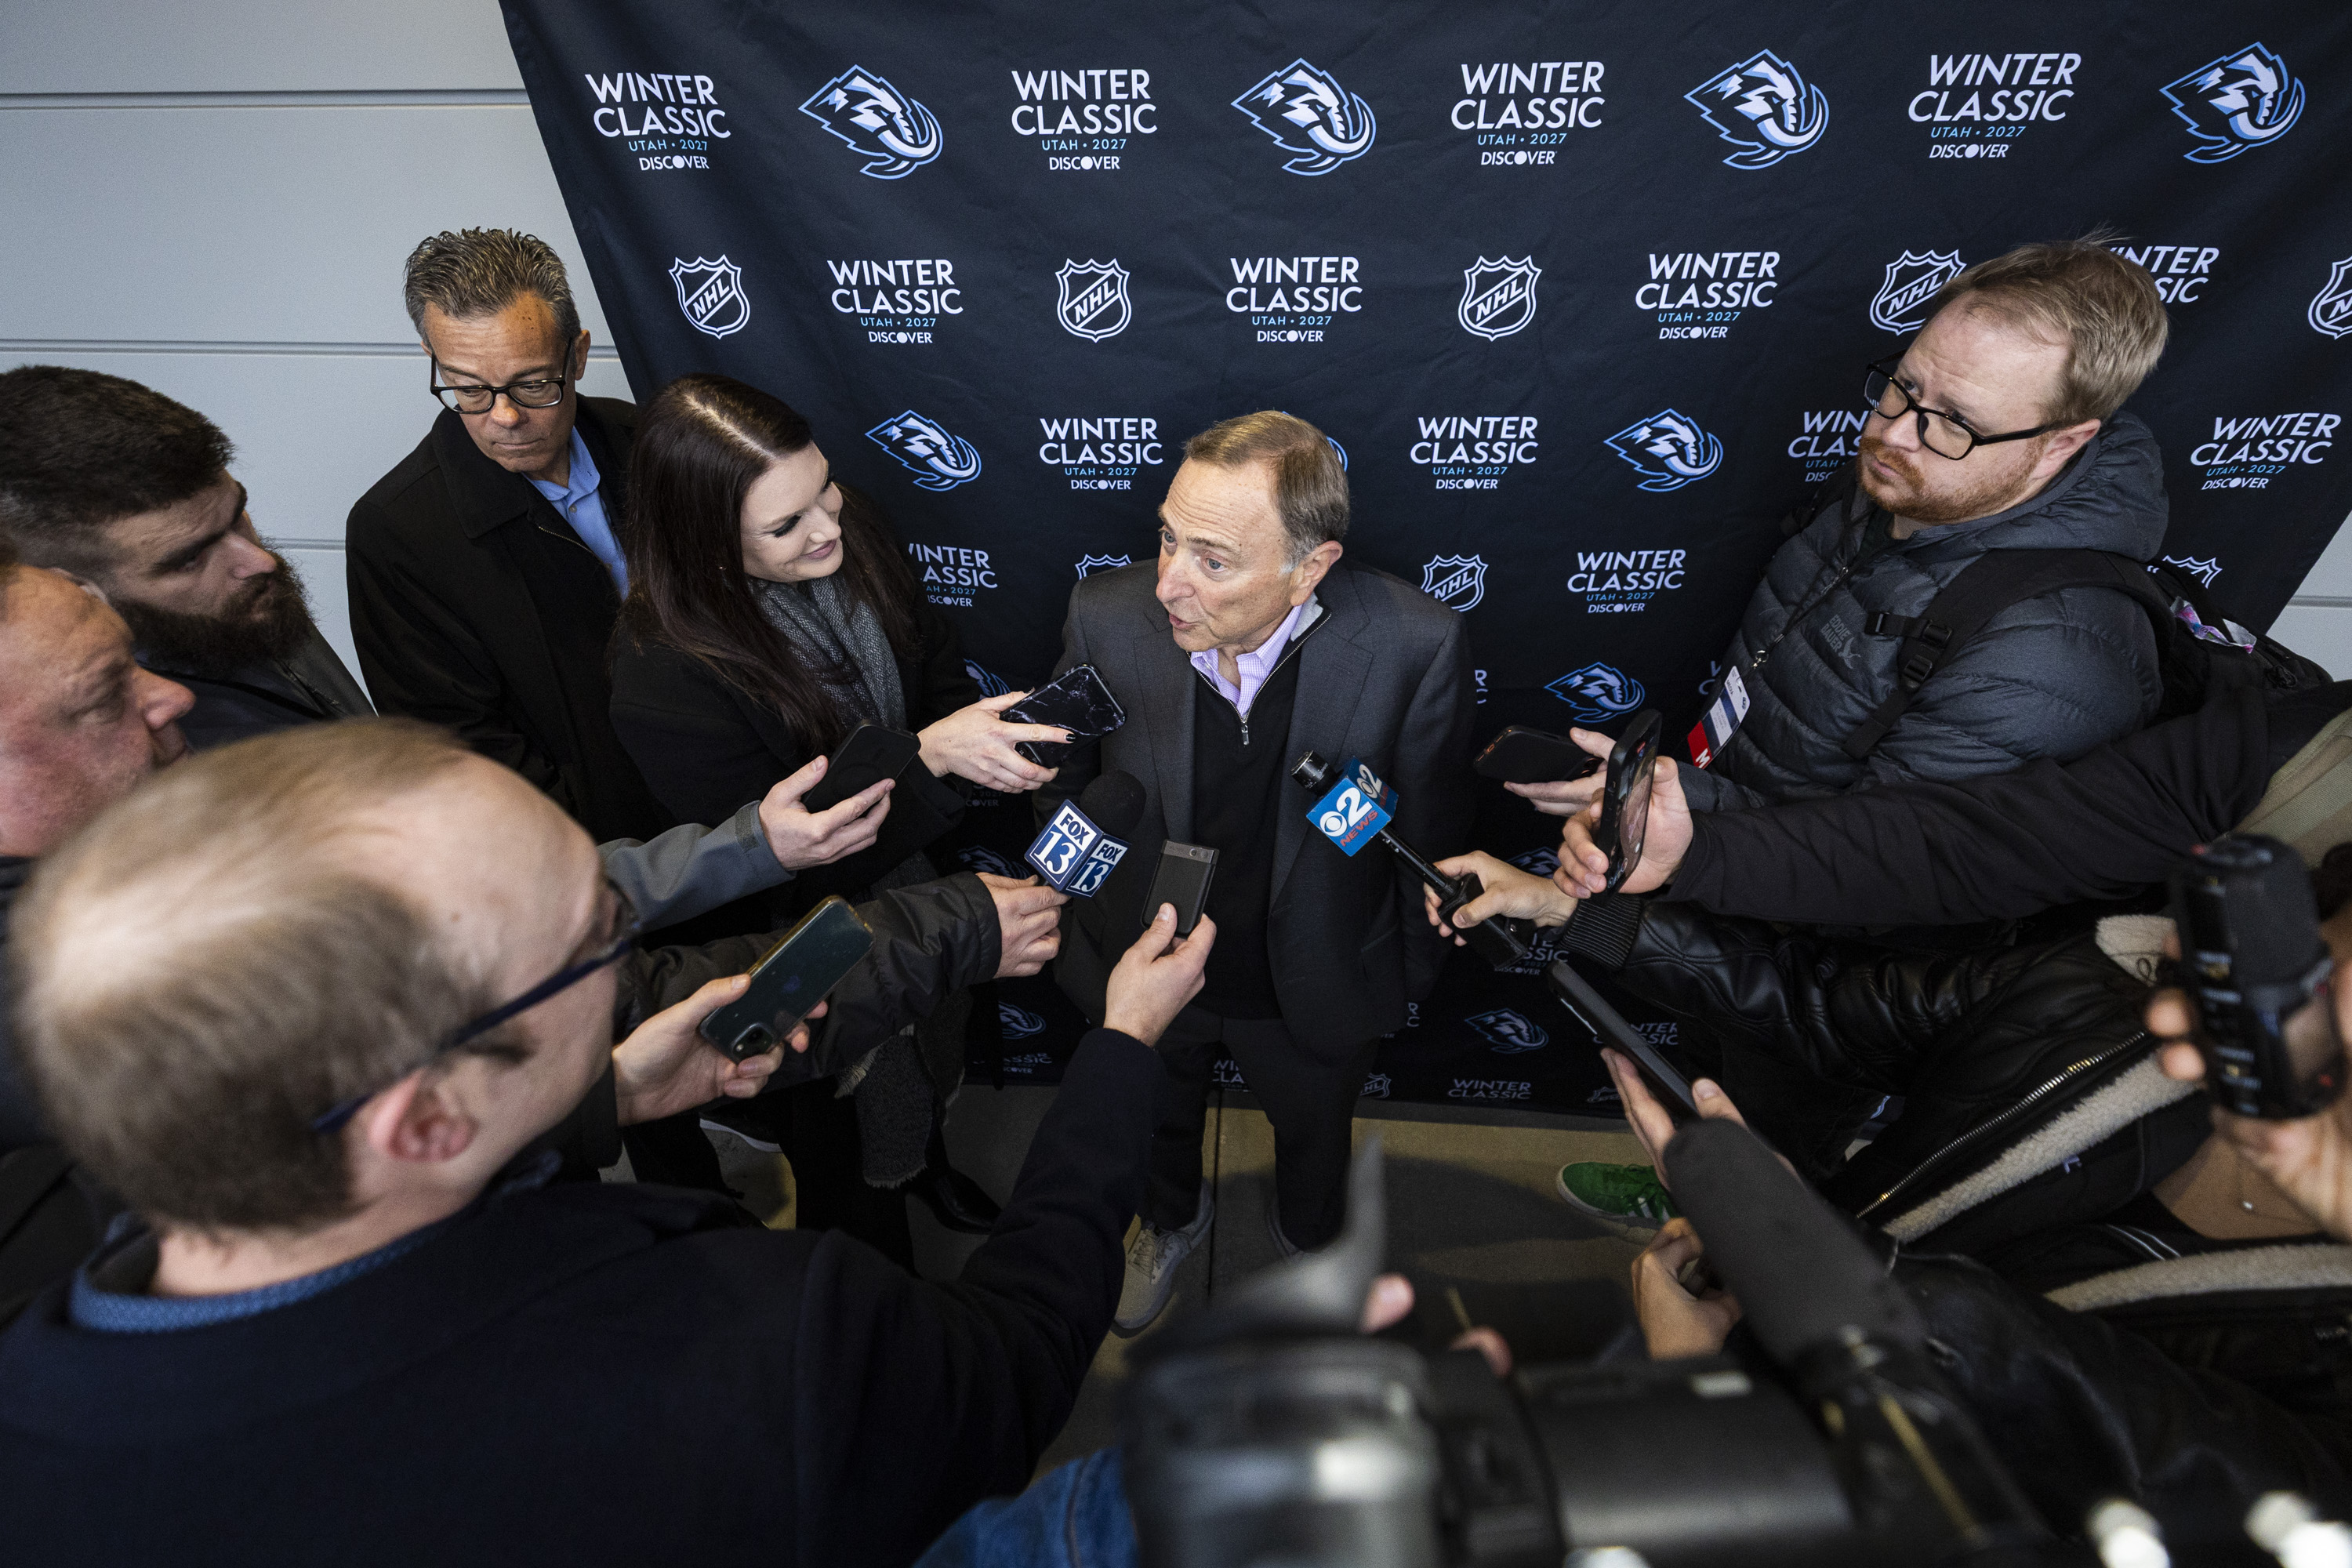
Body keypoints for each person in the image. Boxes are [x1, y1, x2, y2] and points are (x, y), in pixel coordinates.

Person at [0, 717, 1214, 1568]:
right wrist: (1119, 1050)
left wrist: (609, 1097)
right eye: (596, 944)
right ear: (426, 1118)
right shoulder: (765, 1350)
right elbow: (1011, 1364)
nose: (629, 965)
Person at [608, 373, 1069, 1253]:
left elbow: (928, 648)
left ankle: (928, 1169)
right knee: (846, 1173)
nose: (830, 525)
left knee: (931, 1067)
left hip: (917, 874)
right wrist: (929, 757)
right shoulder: (661, 674)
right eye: (786, 524)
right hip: (802, 951)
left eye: (824, 487)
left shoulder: (848, 529)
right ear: (706, 541)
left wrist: (957, 747)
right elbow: (795, 866)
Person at [1036, 409, 1475, 1330]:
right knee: (1157, 1124)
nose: (1169, 584)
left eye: (1213, 559)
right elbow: (1065, 785)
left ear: (1310, 566)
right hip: (1154, 966)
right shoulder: (1105, 617)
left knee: (1316, 1138)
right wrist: (1085, 934)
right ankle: (1167, 1218)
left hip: (1315, 979)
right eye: (1166, 537)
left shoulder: (1413, 645)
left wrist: (1397, 975)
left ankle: (1313, 1240)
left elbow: (1424, 841)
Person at [1520, 238, 2172, 822]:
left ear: (2063, 445)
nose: (1890, 433)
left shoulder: (2049, 659)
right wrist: (1672, 799)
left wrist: (1674, 820)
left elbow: (1863, 885)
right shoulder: (1902, 476)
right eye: (1904, 386)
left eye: (1956, 422)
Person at [347, 227, 670, 844]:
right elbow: (460, 755)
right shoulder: (397, 532)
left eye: (532, 384)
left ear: (577, 356)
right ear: (432, 359)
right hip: (596, 865)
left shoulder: (653, 445)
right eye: (469, 389)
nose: (505, 418)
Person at [0, 365, 369, 747]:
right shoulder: (109, 757)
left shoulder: (242, 602)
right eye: (190, 560)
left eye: (237, 514)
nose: (260, 562)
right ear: (68, 588)